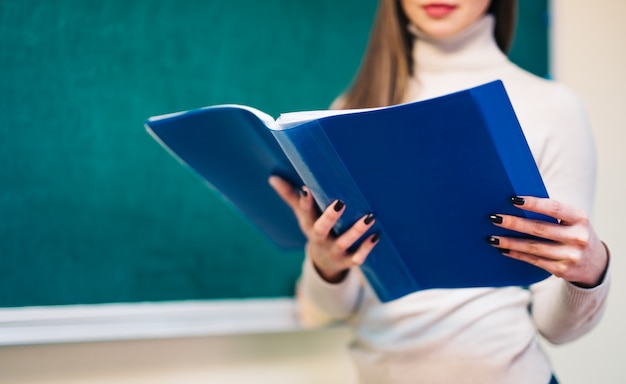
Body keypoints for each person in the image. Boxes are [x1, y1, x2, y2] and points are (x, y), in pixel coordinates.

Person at [269, 0, 611, 383]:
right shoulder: (350, 111)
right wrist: (325, 264)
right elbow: (327, 312)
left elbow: (557, 328)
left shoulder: (552, 107)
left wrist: (590, 272)